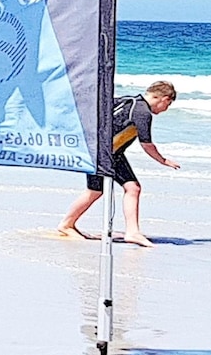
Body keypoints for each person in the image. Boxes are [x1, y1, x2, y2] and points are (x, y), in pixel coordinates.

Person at [58, 80, 180, 247]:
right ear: (164, 99)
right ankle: (66, 224)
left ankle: (132, 232)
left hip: (107, 152)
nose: (165, 109)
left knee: (131, 188)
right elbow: (147, 144)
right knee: (96, 191)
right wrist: (163, 161)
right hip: (102, 154)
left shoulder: (129, 101)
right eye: (168, 105)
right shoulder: (143, 112)